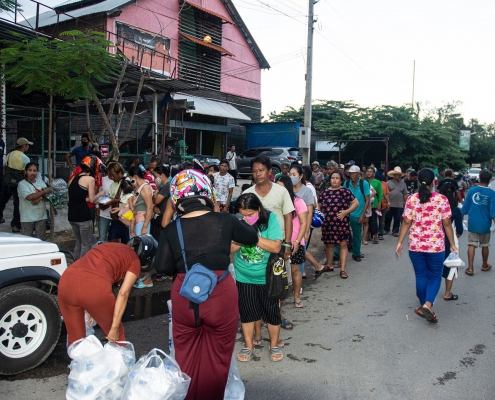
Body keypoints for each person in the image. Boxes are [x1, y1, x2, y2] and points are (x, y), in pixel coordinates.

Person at [154, 169, 258, 400]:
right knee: (217, 358)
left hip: (185, 294)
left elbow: (160, 267)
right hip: (220, 293)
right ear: (207, 193)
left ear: (177, 199)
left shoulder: (173, 228)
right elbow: (251, 237)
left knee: (186, 357)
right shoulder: (225, 220)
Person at [395, 168, 457, 323]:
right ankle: (428, 304)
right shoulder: (442, 199)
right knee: (435, 276)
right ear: (434, 182)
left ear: (417, 181)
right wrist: (453, 245)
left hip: (416, 245)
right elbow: (447, 224)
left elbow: (407, 222)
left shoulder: (412, 199)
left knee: (421, 275)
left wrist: (399, 242)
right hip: (436, 246)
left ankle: (423, 305)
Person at [232, 193, 285, 362]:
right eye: (244, 215)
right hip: (243, 276)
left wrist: (253, 237)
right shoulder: (236, 222)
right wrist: (240, 238)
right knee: (247, 313)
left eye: (251, 214)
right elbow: (228, 248)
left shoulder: (270, 219)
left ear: (259, 209)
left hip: (268, 277)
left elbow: (276, 247)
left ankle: (274, 345)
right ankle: (248, 346)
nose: (247, 218)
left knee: (272, 312)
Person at [58, 243, 142, 346]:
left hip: (67, 281)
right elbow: (123, 293)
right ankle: (121, 360)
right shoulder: (135, 260)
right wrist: (114, 327)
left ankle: (77, 361)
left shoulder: (108, 245)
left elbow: (91, 267)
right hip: (94, 287)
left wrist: (90, 307)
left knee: (76, 341)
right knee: (117, 338)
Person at [318, 171, 359, 279]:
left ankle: (343, 269)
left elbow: (356, 203)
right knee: (329, 244)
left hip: (342, 223)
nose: (334, 180)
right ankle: (329, 265)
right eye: (332, 178)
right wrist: (320, 215)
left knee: (342, 244)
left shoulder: (345, 191)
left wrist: (346, 212)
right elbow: (319, 205)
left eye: (337, 178)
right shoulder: (325, 192)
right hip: (327, 223)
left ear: (341, 180)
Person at [277, 176, 308, 308]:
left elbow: (303, 223)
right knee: (278, 272)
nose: (278, 189)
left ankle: (296, 297)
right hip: (278, 241)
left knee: (295, 270)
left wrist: (296, 241)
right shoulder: (276, 202)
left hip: (295, 242)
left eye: (281, 187)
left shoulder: (298, 201)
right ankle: (277, 301)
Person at [68, 155, 105, 259]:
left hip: (71, 216)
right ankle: (82, 267)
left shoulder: (74, 178)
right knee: (86, 244)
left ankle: (75, 263)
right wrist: (101, 194)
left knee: (78, 243)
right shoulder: (90, 179)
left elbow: (73, 198)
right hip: (83, 216)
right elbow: (92, 199)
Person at [461, 170, 495, 276]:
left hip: (473, 223)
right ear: (490, 180)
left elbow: (465, 207)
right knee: (485, 245)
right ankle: (484, 265)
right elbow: (493, 211)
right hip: (485, 224)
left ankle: (470, 268)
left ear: (479, 178)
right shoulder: (492, 193)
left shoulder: (472, 190)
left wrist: (460, 219)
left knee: (472, 244)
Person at [0, 137, 32, 232]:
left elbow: (4, 169)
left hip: (7, 182)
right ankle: (16, 225)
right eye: (27, 145)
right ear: (23, 146)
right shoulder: (25, 158)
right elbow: (26, 173)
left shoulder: (9, 154)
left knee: (2, 201)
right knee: (17, 204)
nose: (28, 147)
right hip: (18, 185)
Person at [437, 184, 463, 300]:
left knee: (433, 267)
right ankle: (447, 293)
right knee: (451, 266)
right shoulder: (455, 210)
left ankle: (427, 293)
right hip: (450, 239)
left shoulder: (435, 207)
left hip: (435, 239)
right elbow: (459, 229)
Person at [343, 165, 370, 262]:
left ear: (358, 174)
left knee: (357, 235)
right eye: (350, 173)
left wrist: (363, 215)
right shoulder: (346, 183)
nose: (352, 175)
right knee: (342, 234)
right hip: (347, 213)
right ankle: (338, 254)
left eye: (354, 173)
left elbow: (367, 200)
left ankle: (356, 254)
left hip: (358, 214)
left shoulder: (364, 184)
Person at [17, 163, 51, 240]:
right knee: (27, 240)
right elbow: (29, 197)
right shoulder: (22, 184)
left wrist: (39, 198)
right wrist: (44, 192)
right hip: (27, 217)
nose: (32, 172)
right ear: (25, 172)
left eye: (34, 171)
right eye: (30, 170)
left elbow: (48, 198)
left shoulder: (40, 182)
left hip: (41, 216)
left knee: (41, 240)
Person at [384, 167, 408, 237]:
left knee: (397, 218)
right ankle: (386, 229)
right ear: (394, 175)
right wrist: (386, 202)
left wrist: (406, 203)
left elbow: (405, 194)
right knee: (388, 217)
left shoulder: (403, 184)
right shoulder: (388, 183)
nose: (399, 176)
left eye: (399, 175)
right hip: (390, 203)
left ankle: (395, 231)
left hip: (399, 204)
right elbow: (385, 193)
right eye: (397, 175)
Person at [151, 165, 170, 240]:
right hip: (158, 218)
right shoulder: (163, 187)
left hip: (162, 218)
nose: (155, 179)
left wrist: (156, 191)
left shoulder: (166, 186)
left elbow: (156, 200)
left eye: (156, 176)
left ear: (162, 175)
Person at [364, 167, 382, 245]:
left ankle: (375, 236)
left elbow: (380, 193)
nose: (369, 173)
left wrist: (379, 203)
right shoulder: (364, 182)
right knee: (366, 221)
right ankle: (368, 235)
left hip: (374, 204)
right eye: (368, 171)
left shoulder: (377, 182)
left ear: (374, 173)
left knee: (374, 221)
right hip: (365, 204)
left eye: (371, 171)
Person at [97, 163, 115, 242]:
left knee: (114, 238)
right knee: (102, 236)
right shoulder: (103, 179)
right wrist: (97, 208)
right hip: (103, 212)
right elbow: (98, 194)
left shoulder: (119, 180)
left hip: (115, 214)